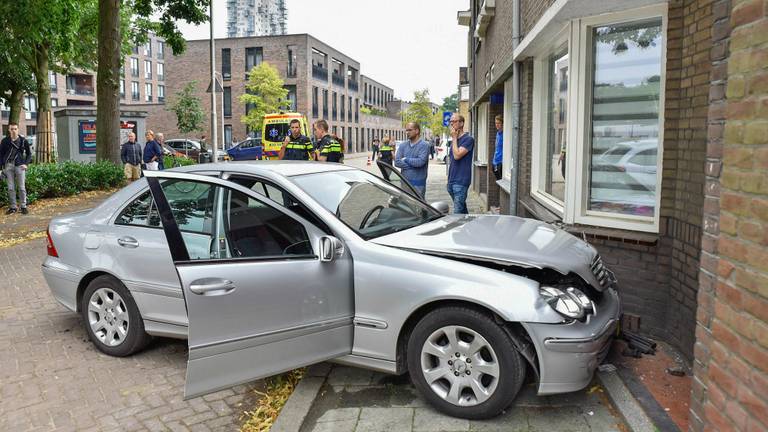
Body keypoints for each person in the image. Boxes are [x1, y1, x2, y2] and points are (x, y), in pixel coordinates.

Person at [0, 122, 32, 214]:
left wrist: (26, 164)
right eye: (11, 129)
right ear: (9, 130)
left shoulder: (23, 141)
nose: (13, 130)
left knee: (22, 187)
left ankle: (23, 206)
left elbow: (29, 154)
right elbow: (1, 154)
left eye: (15, 129)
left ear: (18, 129)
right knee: (10, 188)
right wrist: (1, 168)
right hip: (8, 166)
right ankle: (13, 207)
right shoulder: (5, 141)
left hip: (19, 166)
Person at [394, 122, 430, 198]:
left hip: (418, 184)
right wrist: (414, 166)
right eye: (406, 130)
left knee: (418, 208)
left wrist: (406, 159)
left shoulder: (424, 145)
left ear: (417, 131)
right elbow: (397, 162)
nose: (407, 132)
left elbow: (420, 162)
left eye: (409, 130)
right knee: (405, 207)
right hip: (405, 183)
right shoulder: (403, 145)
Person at [447, 114, 474, 214]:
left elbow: (457, 155)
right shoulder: (454, 140)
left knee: (457, 213)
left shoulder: (468, 139)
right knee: (461, 209)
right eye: (450, 121)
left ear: (461, 123)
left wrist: (454, 139)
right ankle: (469, 226)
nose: (451, 124)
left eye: (454, 121)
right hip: (451, 180)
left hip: (461, 181)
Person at [492, 115, 504, 180]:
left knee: (501, 180)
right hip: (495, 162)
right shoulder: (498, 134)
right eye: (496, 123)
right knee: (498, 181)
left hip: (501, 162)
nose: (497, 125)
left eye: (499, 123)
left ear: (502, 123)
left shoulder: (505, 134)